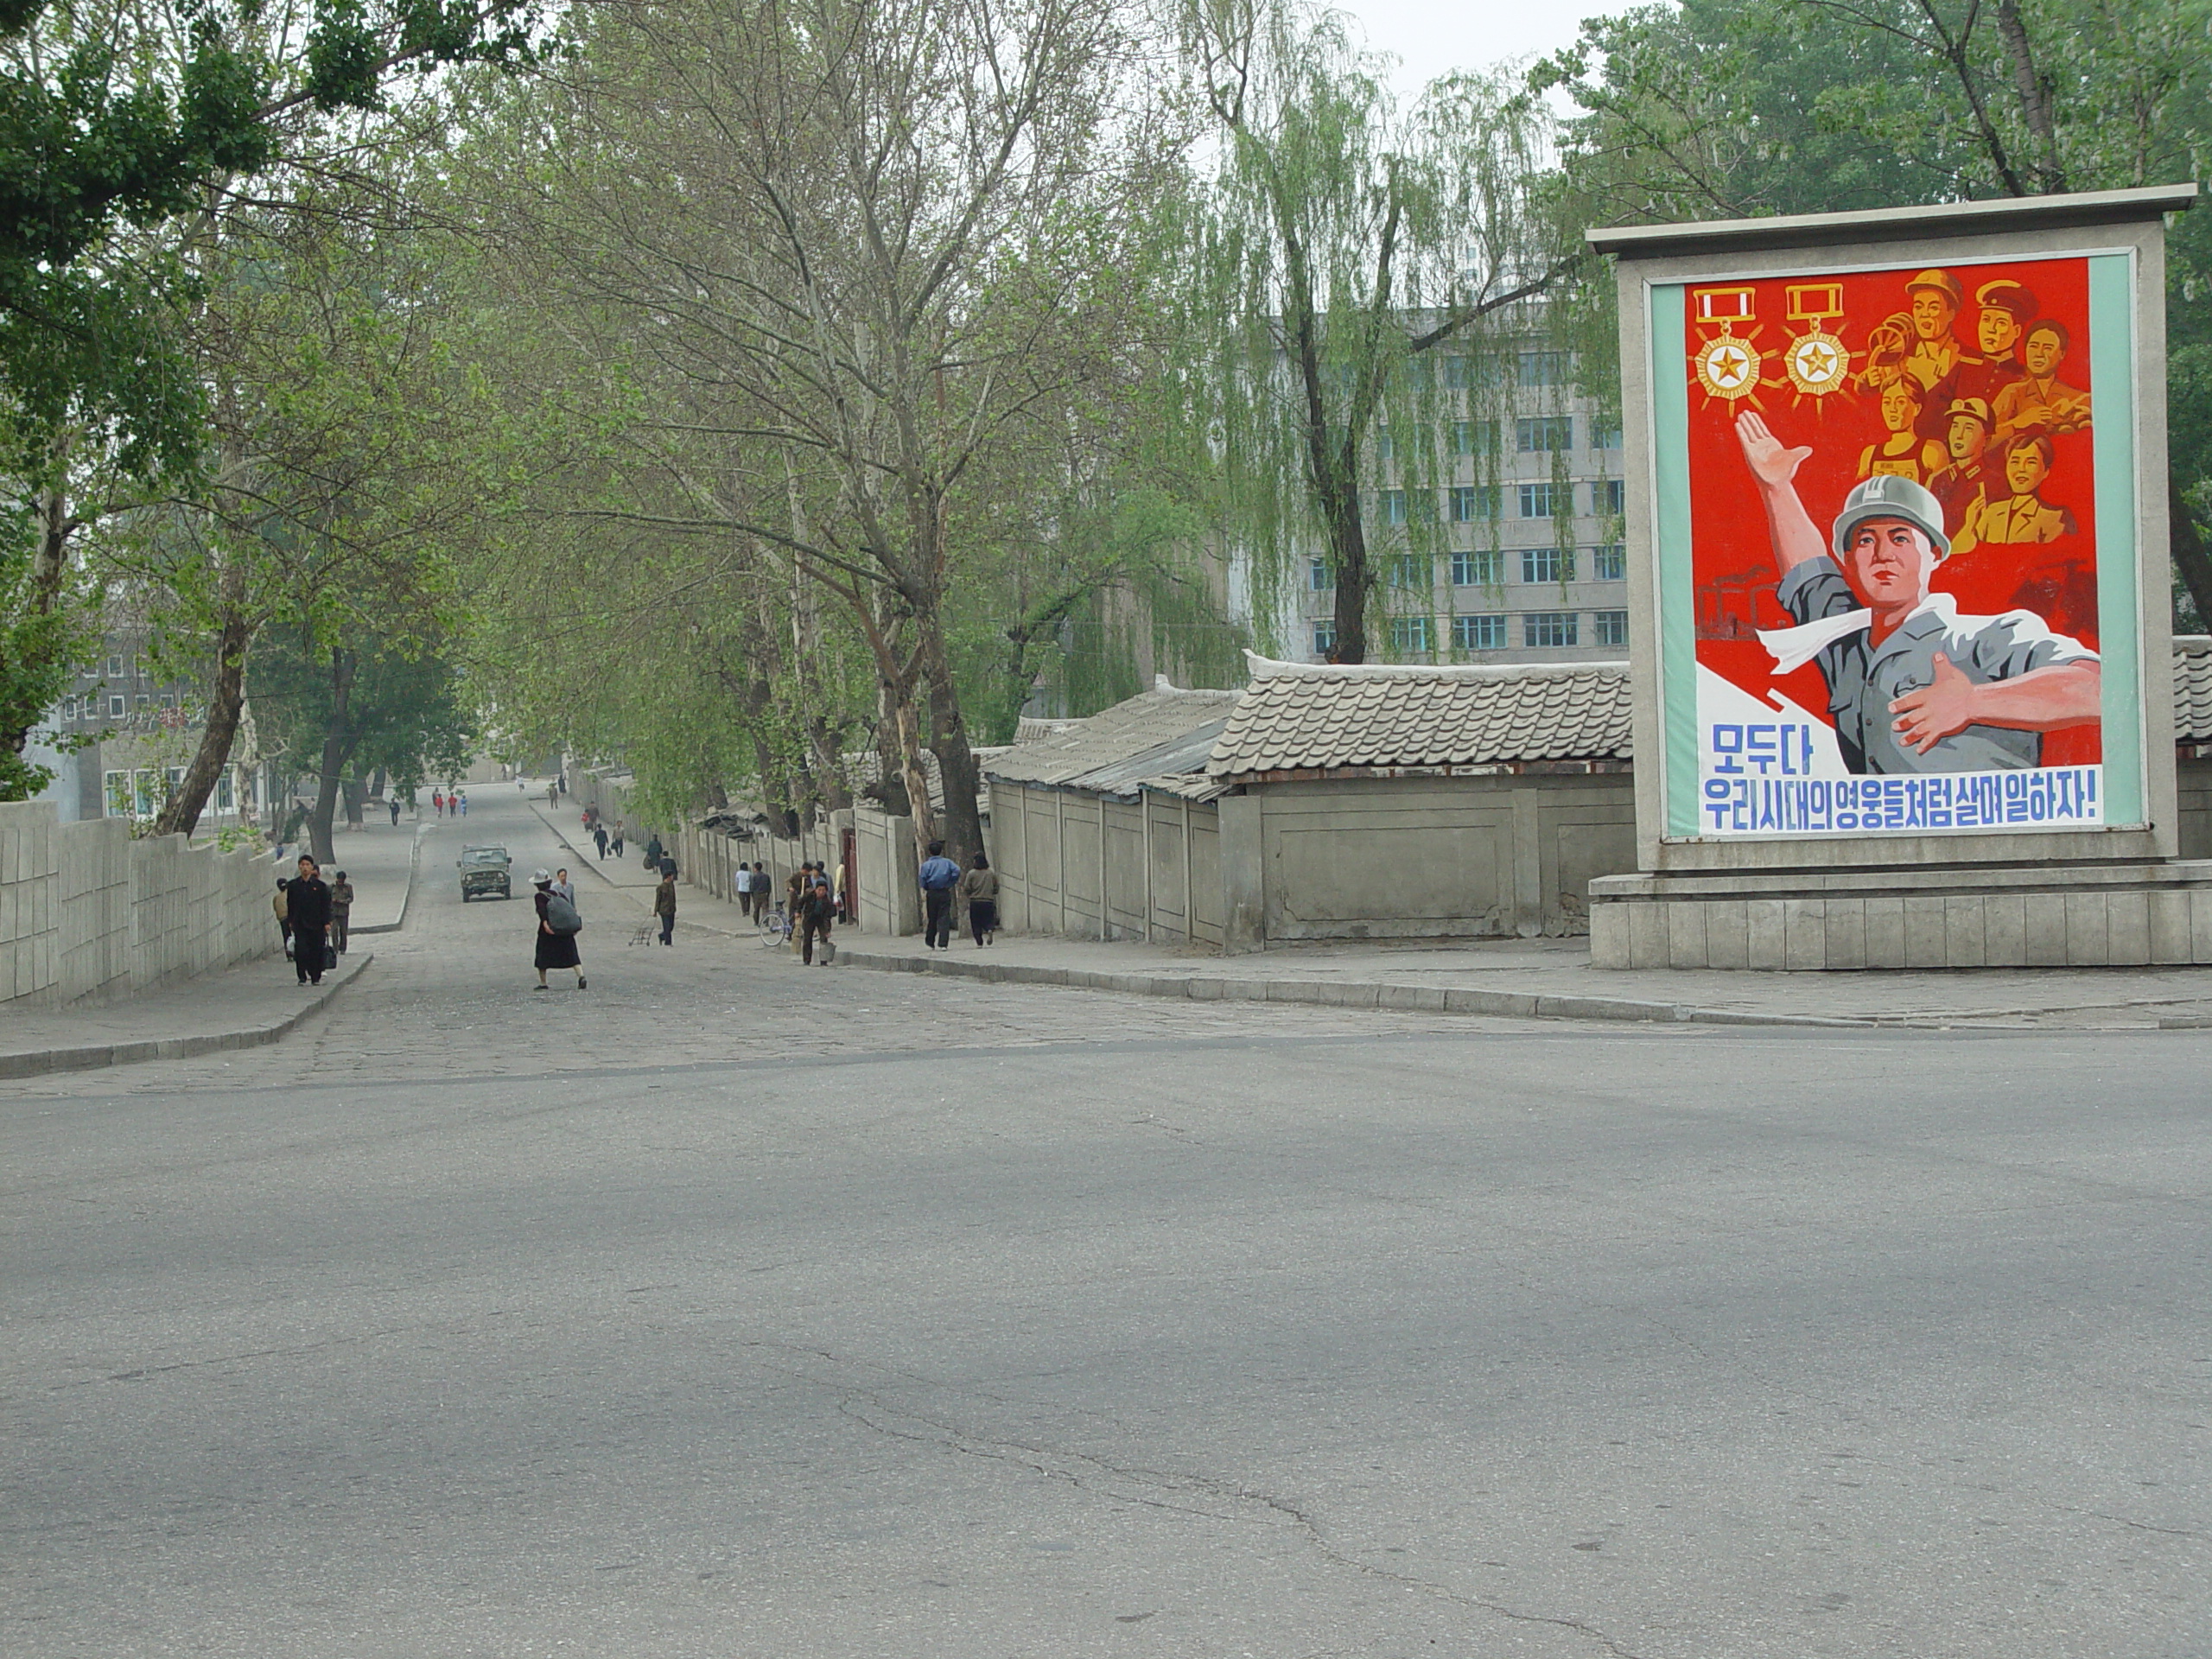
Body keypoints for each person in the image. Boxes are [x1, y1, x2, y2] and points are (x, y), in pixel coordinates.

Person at [1735, 410, 2101, 773]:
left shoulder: (1983, 638)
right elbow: (1809, 575)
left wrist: (1974, 701)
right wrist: (1777, 487)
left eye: (1900, 538)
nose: (1883, 554)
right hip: (1878, 829)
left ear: (1936, 553)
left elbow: (2096, 688)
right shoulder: (1846, 647)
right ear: (1848, 559)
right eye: (1865, 540)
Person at [1951, 434, 2075, 553]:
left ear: (2045, 471)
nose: (2021, 469)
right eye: (2015, 462)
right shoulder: (1991, 512)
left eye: (2031, 462)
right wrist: (1969, 525)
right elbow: (1957, 555)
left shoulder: (2054, 517)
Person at [1993, 319, 2092, 439]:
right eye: (2033, 346)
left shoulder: (2074, 398)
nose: (2039, 354)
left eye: (2048, 348)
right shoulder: (2012, 393)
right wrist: (2018, 423)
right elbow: (1982, 439)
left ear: (2062, 354)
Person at [1856, 374, 1943, 485]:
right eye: (1887, 402)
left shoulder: (1931, 452)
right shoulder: (1870, 454)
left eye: (1900, 402)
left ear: (1917, 409)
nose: (1892, 409)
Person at [1926, 397, 1994, 538]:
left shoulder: (1993, 482)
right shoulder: (1937, 479)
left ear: (1986, 440)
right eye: (1955, 426)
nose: (1959, 435)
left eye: (1968, 428)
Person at [532, 868, 586, 990]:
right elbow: (569, 910)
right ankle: (581, 976)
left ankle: (543, 983)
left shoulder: (539, 896)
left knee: (543, 956)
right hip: (564, 930)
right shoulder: (558, 894)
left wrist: (546, 924)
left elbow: (542, 910)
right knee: (571, 954)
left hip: (549, 931)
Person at [287, 855, 333, 986]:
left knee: (316, 950)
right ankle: (302, 976)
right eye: (302, 865)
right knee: (301, 950)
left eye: (308, 865)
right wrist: (291, 921)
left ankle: (315, 977)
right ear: (299, 867)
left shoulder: (320, 886)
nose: (305, 867)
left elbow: (325, 905)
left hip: (317, 924)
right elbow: (290, 905)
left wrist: (327, 922)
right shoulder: (293, 885)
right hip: (300, 924)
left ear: (312, 868)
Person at [918, 840, 961, 950]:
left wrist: (926, 887)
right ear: (941, 851)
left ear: (930, 852)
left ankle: (930, 941)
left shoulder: (926, 865)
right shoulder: (947, 862)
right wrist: (951, 882)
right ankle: (943, 943)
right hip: (944, 891)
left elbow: (922, 878)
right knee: (944, 917)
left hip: (932, 892)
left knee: (932, 917)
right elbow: (957, 871)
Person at [958, 851, 999, 946]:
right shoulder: (991, 873)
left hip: (975, 901)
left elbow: (967, 887)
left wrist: (969, 893)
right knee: (988, 919)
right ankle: (989, 929)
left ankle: (979, 942)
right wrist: (993, 892)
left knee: (976, 922)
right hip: (988, 900)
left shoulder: (971, 873)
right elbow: (996, 886)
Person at [796, 873, 836, 965]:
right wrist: (798, 912)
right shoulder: (809, 895)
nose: (821, 892)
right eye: (819, 890)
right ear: (816, 889)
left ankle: (823, 960)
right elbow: (800, 902)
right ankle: (807, 959)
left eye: (823, 890)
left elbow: (827, 917)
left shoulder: (827, 902)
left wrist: (827, 930)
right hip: (809, 918)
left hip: (820, 919)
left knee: (823, 938)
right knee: (807, 939)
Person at [328, 869, 354, 955]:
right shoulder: (331, 887)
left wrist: (343, 901)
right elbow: (327, 899)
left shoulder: (348, 887)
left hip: (344, 913)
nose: (340, 882)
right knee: (334, 931)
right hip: (334, 913)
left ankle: (342, 948)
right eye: (339, 880)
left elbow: (351, 898)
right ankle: (335, 949)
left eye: (342, 880)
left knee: (343, 932)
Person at [653, 865, 677, 945]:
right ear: (668, 877)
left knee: (671, 927)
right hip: (664, 910)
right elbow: (658, 900)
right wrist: (655, 911)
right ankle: (668, 942)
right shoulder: (660, 887)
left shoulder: (672, 885)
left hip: (671, 909)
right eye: (671, 876)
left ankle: (662, 936)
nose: (673, 877)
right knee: (667, 927)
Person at [272, 876, 291, 956]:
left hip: (283, 919)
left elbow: (275, 908)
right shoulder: (291, 894)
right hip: (292, 917)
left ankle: (289, 953)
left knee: (286, 936)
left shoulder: (276, 898)